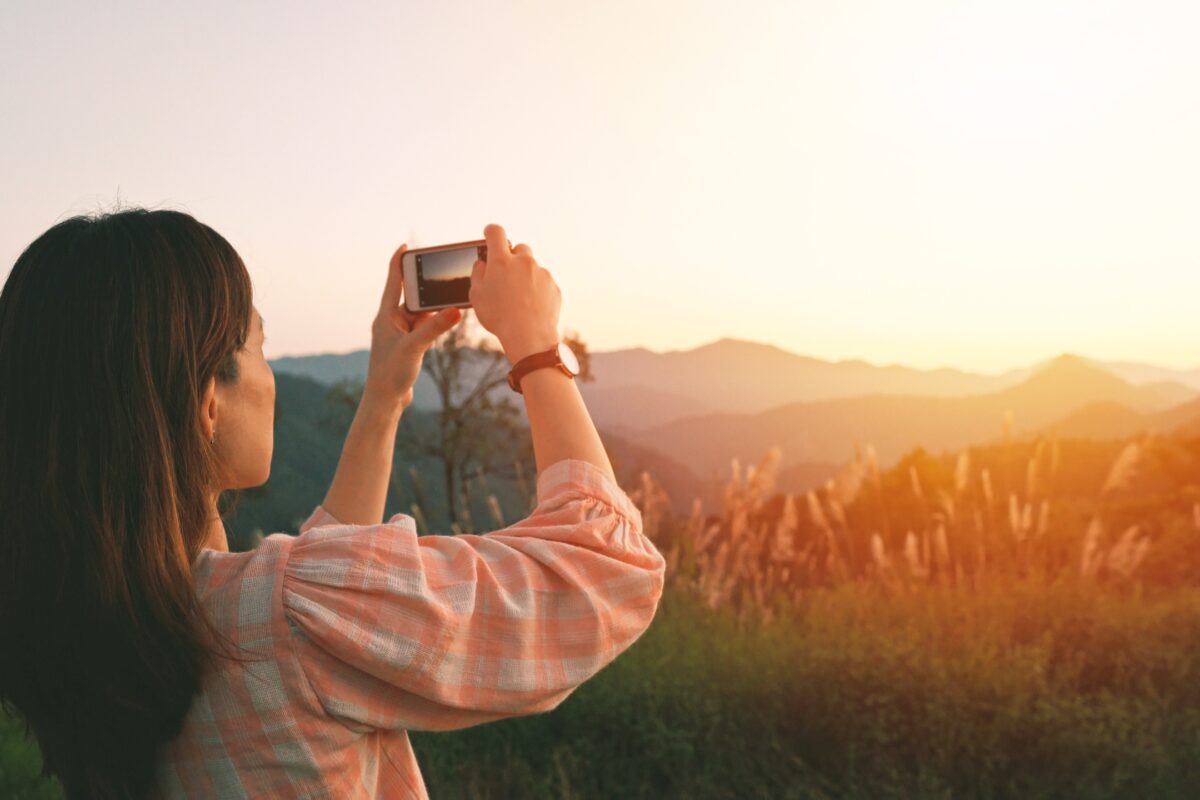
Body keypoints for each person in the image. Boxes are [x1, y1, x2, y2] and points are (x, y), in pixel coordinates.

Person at [0, 209, 665, 798]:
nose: (270, 376)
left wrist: (384, 396)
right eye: (259, 344)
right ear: (208, 404)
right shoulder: (286, 620)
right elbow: (607, 568)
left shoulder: (97, 630)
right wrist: (537, 347)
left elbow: (319, 586)